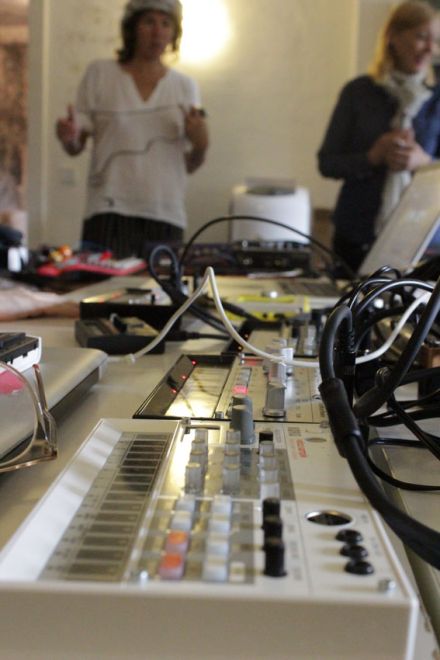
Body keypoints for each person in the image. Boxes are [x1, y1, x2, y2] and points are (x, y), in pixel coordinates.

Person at [56, 0, 209, 259]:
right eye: (149, 22)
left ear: (174, 32)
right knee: (101, 284)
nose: (157, 31)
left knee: (162, 285)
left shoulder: (185, 86)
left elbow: (191, 164)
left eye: (166, 23)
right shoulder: (100, 73)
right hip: (108, 211)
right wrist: (67, 137)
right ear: (132, 28)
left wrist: (202, 143)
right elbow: (76, 146)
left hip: (165, 213)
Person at [317, 0, 440, 274]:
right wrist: (372, 157)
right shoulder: (358, 92)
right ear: (393, 36)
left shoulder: (437, 99)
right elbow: (327, 163)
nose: (430, 49)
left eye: (435, 41)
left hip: (423, 242)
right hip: (356, 236)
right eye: (422, 37)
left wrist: (424, 163)